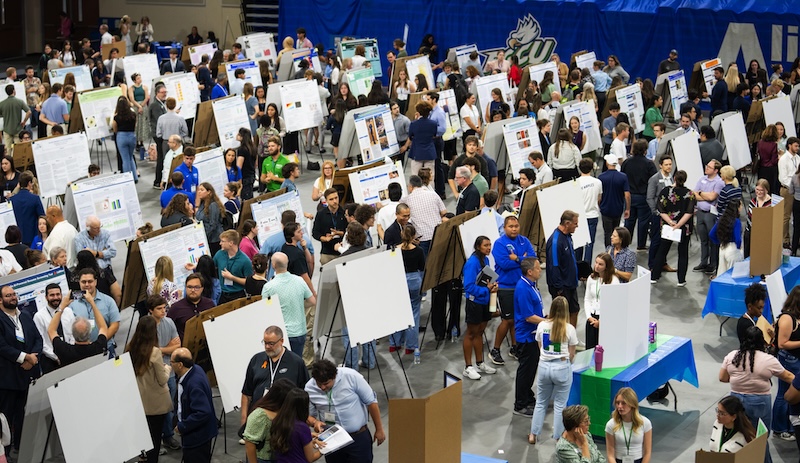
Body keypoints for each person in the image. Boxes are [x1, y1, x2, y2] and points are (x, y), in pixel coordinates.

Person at [721, 326, 791, 462]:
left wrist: (739, 377)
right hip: (759, 401)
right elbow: (788, 376)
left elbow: (723, 378)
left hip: (735, 401)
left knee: (738, 435)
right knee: (759, 438)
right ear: (762, 341)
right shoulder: (768, 360)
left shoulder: (732, 356)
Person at [305, 359, 386, 461]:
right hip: (331, 439)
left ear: (334, 376)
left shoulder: (351, 377)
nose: (322, 387)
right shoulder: (309, 388)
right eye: (319, 383)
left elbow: (371, 402)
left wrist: (379, 429)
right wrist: (314, 422)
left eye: (326, 383)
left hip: (357, 437)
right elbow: (307, 416)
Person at [240, 326, 309, 437]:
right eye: (265, 343)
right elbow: (246, 393)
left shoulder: (296, 362)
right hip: (258, 421)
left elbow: (305, 394)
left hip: (284, 422)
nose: (267, 347)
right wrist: (244, 421)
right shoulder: (256, 360)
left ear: (281, 341)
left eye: (271, 344)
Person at [528, 296, 578, 445]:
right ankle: (557, 437)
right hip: (561, 367)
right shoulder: (569, 329)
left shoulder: (542, 325)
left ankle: (533, 434)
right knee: (560, 405)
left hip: (544, 366)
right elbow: (572, 354)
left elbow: (539, 345)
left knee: (541, 402)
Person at [0, 285, 42, 454]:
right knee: (6, 418)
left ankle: (21, 448)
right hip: (7, 380)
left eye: (14, 294)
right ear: (0, 300)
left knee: (23, 417)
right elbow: (1, 346)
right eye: (8, 295)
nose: (13, 298)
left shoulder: (25, 315)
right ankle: (5, 452)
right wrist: (25, 357)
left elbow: (38, 339)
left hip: (27, 376)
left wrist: (32, 359)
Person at [127, 311, 174, 462]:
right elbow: (162, 380)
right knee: (154, 439)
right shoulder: (154, 352)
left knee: (143, 436)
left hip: (139, 401)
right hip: (156, 403)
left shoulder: (130, 348)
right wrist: (167, 368)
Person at [491, 216, 536, 366]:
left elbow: (533, 260)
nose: (514, 229)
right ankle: (495, 350)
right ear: (504, 228)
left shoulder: (524, 240)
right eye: (511, 226)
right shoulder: (499, 244)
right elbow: (504, 264)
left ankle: (515, 348)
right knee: (508, 320)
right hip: (506, 287)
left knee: (518, 319)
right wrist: (523, 260)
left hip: (522, 286)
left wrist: (516, 259)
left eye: (516, 226)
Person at [511, 257, 546, 418]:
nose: (540, 270)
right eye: (538, 268)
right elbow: (528, 316)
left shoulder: (530, 285)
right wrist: (547, 322)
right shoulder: (523, 288)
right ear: (530, 271)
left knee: (532, 369)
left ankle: (528, 396)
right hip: (526, 336)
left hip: (533, 335)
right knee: (525, 370)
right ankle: (520, 404)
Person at [261, 252, 314, 355]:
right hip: (300, 331)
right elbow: (312, 301)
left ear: (273, 265)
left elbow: (265, 310)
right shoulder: (300, 281)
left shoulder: (269, 287)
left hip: (282, 334)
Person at [461, 235, 499, 380]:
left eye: (490, 245)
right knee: (471, 333)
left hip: (484, 302)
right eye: (485, 245)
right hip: (474, 303)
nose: (488, 248)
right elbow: (469, 287)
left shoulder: (486, 259)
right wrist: (486, 290)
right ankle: (468, 367)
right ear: (478, 247)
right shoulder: (472, 263)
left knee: (480, 332)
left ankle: (479, 363)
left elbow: (487, 280)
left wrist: (493, 286)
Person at [171, 347, 218, 462]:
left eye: (172, 362)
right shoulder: (195, 369)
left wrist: (182, 426)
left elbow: (202, 412)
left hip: (197, 439)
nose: (170, 365)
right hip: (199, 435)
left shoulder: (194, 384)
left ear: (180, 365)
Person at [650, 170, 696, 286]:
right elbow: (689, 212)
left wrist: (671, 222)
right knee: (683, 252)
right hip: (684, 228)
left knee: (662, 250)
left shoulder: (665, 191)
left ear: (674, 178)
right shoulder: (690, 194)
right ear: (685, 180)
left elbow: (660, 209)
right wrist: (679, 225)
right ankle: (681, 280)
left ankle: (654, 276)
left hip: (668, 226)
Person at [242, 378, 295, 463]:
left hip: (279, 457)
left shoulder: (282, 411)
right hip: (263, 459)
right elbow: (249, 443)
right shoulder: (260, 415)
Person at [546, 211, 581, 327]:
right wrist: (559, 289)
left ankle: (572, 338)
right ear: (567, 223)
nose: (577, 226)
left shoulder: (568, 237)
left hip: (571, 284)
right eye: (575, 223)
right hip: (561, 287)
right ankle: (562, 340)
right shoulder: (555, 241)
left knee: (574, 311)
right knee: (562, 316)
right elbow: (554, 266)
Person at [32, 283, 74, 372]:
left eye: (58, 294)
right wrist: (56, 357)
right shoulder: (39, 316)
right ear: (46, 297)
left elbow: (73, 334)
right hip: (51, 360)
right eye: (52, 295)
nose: (55, 297)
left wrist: (70, 352)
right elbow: (41, 341)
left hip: (70, 356)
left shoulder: (68, 311)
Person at [693, 159, 725, 275]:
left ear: (716, 170)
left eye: (709, 167)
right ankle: (703, 262)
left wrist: (701, 194)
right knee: (703, 240)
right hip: (700, 212)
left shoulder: (719, 182)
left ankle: (713, 264)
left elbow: (712, 197)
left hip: (711, 214)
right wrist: (704, 195)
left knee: (712, 240)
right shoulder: (701, 179)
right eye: (707, 166)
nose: (706, 168)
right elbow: (694, 194)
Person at [605, 387, 653, 463]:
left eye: (623, 403)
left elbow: (647, 452)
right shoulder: (611, 425)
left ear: (632, 404)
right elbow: (610, 454)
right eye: (618, 403)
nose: (620, 407)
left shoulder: (645, 423)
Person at [584, 253, 619, 349]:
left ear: (607, 266)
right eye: (596, 263)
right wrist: (589, 317)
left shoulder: (613, 281)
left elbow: (612, 305)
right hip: (592, 318)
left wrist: (602, 321)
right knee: (590, 349)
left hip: (605, 319)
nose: (597, 266)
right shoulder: (591, 278)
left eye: (600, 264)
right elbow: (587, 299)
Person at [168, 274, 215, 341]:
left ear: (202, 289)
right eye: (189, 287)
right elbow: (167, 330)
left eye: (196, 287)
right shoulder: (176, 308)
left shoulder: (209, 304)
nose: (193, 290)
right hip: (185, 348)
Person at [212, 230, 254, 303]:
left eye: (222, 241)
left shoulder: (245, 260)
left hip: (238, 295)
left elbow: (249, 282)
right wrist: (196, 266)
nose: (220, 243)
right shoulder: (219, 254)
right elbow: (211, 265)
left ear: (231, 243)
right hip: (223, 294)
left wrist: (232, 278)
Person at [599, 154, 631, 248]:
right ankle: (616, 250)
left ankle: (608, 253)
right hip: (618, 209)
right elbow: (627, 195)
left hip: (605, 209)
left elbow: (599, 196)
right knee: (616, 231)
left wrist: (600, 205)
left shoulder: (601, 177)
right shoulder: (623, 177)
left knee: (607, 233)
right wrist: (628, 209)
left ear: (607, 163)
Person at [311, 188, 346, 264]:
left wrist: (339, 233)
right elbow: (315, 233)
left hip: (343, 250)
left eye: (336, 198)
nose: (335, 201)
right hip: (327, 253)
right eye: (331, 199)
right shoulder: (321, 214)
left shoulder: (344, 212)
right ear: (326, 201)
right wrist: (324, 238)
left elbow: (350, 231)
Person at [710, 199, 743, 277]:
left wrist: (719, 242)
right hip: (732, 249)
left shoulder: (722, 219)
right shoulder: (737, 221)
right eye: (741, 206)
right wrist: (738, 248)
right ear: (737, 207)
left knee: (721, 275)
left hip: (722, 248)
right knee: (733, 275)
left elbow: (711, 234)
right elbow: (738, 239)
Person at [10, 172, 44, 246]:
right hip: (33, 236)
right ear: (29, 183)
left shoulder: (12, 200)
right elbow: (42, 216)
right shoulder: (35, 198)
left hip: (17, 238)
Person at [745, 179, 774, 258]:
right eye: (757, 189)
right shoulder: (753, 201)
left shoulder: (771, 204)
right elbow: (750, 217)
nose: (758, 192)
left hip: (763, 235)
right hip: (750, 232)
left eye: (761, 190)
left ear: (766, 190)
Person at [195, 183, 225, 255]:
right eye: (199, 190)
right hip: (205, 236)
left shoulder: (213, 205)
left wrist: (205, 238)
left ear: (209, 192)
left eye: (202, 190)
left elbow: (213, 225)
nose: (199, 192)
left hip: (214, 239)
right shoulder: (202, 204)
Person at [780, 137, 800, 247]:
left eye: (798, 146)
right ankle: (785, 240)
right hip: (787, 190)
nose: (797, 148)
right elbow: (783, 178)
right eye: (796, 146)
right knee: (786, 216)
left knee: (797, 216)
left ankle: (797, 239)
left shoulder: (798, 158)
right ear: (789, 145)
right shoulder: (783, 159)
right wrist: (794, 186)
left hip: (797, 191)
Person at [0, 85, 31, 151]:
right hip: (17, 128)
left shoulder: (2, 104)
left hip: (7, 129)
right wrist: (24, 121)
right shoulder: (19, 101)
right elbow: (29, 112)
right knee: (18, 149)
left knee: (8, 149)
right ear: (14, 91)